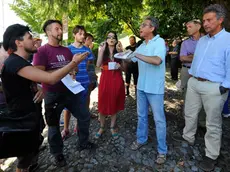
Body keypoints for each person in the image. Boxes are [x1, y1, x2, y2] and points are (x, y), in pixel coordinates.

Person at [1, 24, 88, 172]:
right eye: (30, 38)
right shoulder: (14, 62)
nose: (34, 41)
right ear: (19, 42)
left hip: (31, 113)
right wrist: (74, 62)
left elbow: (28, 77)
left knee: (31, 150)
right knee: (24, 159)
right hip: (21, 119)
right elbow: (50, 78)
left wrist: (38, 86)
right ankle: (47, 157)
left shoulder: (20, 62)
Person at [33, 20, 96, 167]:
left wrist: (74, 71)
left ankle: (83, 142)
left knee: (84, 116)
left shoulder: (66, 51)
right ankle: (58, 154)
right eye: (57, 29)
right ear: (48, 32)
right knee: (54, 127)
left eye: (61, 29)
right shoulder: (42, 51)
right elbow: (38, 74)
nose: (60, 31)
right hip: (52, 94)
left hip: (70, 92)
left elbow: (72, 69)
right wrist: (67, 69)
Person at [179, 4, 230, 171]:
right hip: (195, 82)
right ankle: (188, 137)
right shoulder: (202, 41)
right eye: (204, 20)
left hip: (214, 87)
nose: (205, 23)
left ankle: (211, 155)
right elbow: (197, 60)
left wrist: (225, 87)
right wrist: (192, 77)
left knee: (213, 123)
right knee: (190, 113)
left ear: (220, 20)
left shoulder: (228, 40)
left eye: (209, 20)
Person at [129, 16, 167, 165]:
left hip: (155, 88)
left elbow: (157, 60)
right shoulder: (141, 45)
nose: (140, 27)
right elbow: (131, 59)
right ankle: (141, 139)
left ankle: (162, 151)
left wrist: (136, 54)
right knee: (141, 116)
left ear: (152, 28)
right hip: (141, 87)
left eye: (144, 25)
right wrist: (121, 54)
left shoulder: (159, 42)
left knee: (159, 120)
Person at [61, 25, 94, 139]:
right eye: (80, 33)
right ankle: (65, 129)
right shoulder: (67, 49)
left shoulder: (87, 49)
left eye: (84, 34)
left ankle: (79, 127)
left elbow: (88, 65)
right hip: (71, 83)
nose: (82, 36)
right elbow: (65, 66)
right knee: (67, 108)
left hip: (84, 81)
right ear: (74, 34)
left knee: (83, 106)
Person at [95, 31, 125, 139]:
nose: (111, 39)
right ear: (106, 39)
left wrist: (120, 63)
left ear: (116, 40)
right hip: (105, 79)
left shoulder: (119, 51)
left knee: (114, 101)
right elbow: (98, 65)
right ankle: (102, 126)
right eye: (109, 37)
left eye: (113, 37)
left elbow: (125, 68)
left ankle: (112, 126)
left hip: (116, 79)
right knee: (102, 101)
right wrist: (101, 51)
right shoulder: (103, 50)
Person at [84, 33, 98, 118]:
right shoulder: (85, 50)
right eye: (90, 39)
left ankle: (87, 112)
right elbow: (87, 63)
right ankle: (86, 114)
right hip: (88, 75)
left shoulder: (88, 49)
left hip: (91, 74)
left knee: (88, 95)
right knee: (86, 95)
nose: (91, 41)